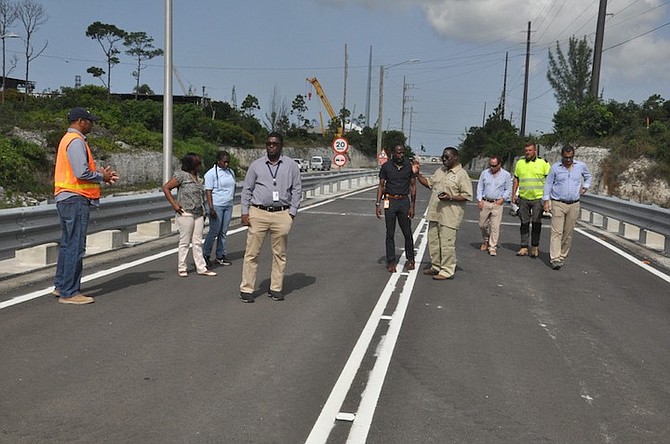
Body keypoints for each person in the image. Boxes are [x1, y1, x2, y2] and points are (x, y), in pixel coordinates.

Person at [53, 107, 119, 305]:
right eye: (90, 121)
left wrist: (97, 173)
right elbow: (81, 173)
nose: (92, 125)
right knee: (75, 246)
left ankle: (61, 286)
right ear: (81, 121)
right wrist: (102, 176)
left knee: (67, 243)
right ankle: (69, 292)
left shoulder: (68, 139)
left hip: (67, 197)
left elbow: (79, 171)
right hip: (75, 198)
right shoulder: (76, 141)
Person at [239, 132, 302, 303]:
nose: (271, 146)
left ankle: (275, 288)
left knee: (279, 254)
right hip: (258, 212)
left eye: (274, 144)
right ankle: (247, 289)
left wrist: (292, 213)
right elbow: (247, 189)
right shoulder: (256, 165)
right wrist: (245, 212)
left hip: (282, 213)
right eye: (268, 143)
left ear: (281, 146)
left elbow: (297, 190)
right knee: (252, 253)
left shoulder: (291, 166)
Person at [413, 147, 473, 280]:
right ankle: (436, 266)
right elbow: (429, 183)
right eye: (443, 157)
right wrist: (417, 175)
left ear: (456, 157)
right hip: (435, 212)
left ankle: (447, 270)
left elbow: (467, 195)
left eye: (447, 157)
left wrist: (450, 197)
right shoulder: (440, 171)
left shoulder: (461, 174)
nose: (444, 159)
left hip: (450, 215)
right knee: (433, 242)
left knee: (446, 244)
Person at [162, 153, 217, 278]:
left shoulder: (198, 177)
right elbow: (166, 188)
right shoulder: (181, 176)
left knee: (197, 241)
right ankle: (182, 267)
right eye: (197, 163)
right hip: (185, 212)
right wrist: (174, 204)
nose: (200, 165)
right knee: (185, 241)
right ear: (191, 164)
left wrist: (204, 211)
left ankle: (201, 267)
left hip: (198, 212)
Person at [543, 145, 592, 269]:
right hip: (558, 202)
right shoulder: (555, 168)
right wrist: (546, 201)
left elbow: (588, 176)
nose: (568, 160)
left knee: (568, 232)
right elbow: (548, 184)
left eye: (570, 157)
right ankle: (554, 258)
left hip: (574, 204)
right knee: (556, 232)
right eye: (566, 157)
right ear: (562, 156)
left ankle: (562, 255)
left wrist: (585, 186)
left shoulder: (580, 166)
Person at [376, 144, 416, 272]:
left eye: (403, 153)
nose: (401, 155)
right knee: (390, 233)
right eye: (398, 153)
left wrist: (412, 206)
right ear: (393, 153)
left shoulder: (409, 166)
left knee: (407, 232)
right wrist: (378, 204)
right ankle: (391, 261)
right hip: (390, 201)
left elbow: (413, 186)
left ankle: (410, 259)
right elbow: (381, 185)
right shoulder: (386, 167)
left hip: (404, 201)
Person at [511, 142, 550, 258]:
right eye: (526, 150)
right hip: (523, 197)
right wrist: (513, 194)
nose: (527, 152)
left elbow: (549, 180)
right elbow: (516, 179)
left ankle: (534, 247)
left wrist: (547, 198)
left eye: (530, 150)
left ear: (535, 151)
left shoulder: (543, 163)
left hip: (538, 198)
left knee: (536, 223)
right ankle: (523, 246)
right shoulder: (520, 163)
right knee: (524, 223)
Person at [203, 150, 236, 266]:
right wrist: (211, 208)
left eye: (228, 162)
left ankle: (220, 255)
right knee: (214, 231)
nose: (226, 164)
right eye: (224, 162)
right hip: (216, 205)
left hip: (228, 204)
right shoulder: (211, 173)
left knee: (223, 232)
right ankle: (206, 255)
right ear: (218, 161)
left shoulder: (230, 172)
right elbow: (208, 191)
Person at [476, 155, 512, 256]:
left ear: (499, 164)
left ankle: (492, 246)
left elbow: (508, 189)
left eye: (494, 165)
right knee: (482, 224)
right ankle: (486, 240)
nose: (492, 167)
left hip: (497, 203)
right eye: (490, 165)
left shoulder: (506, 175)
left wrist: (502, 199)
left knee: (495, 226)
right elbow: (480, 186)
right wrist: (479, 199)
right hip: (485, 201)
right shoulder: (485, 173)